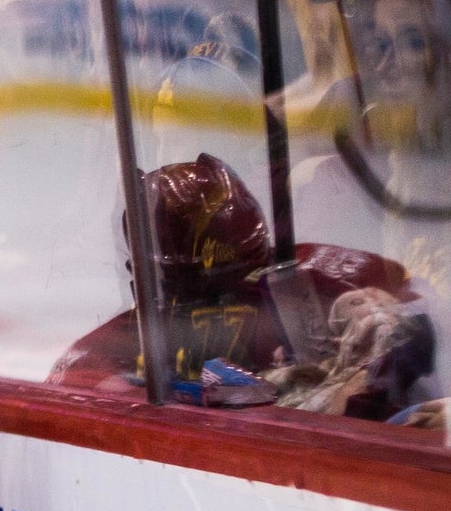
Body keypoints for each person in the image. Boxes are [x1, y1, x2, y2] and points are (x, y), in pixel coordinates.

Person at [50, 153, 435, 415]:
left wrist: (384, 332)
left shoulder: (303, 278)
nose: (243, 299)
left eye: (249, 276)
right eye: (217, 291)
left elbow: (412, 309)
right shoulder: (96, 362)